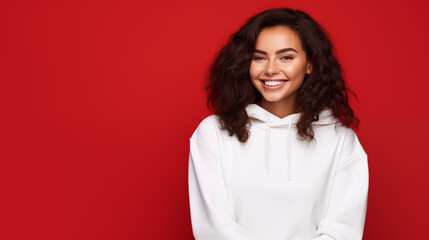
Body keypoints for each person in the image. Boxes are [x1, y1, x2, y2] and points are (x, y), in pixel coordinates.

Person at [188, 8, 368, 240]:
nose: (271, 69)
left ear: (309, 64)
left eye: (286, 57)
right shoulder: (213, 133)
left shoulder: (341, 141)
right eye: (259, 57)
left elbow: (342, 231)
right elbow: (214, 229)